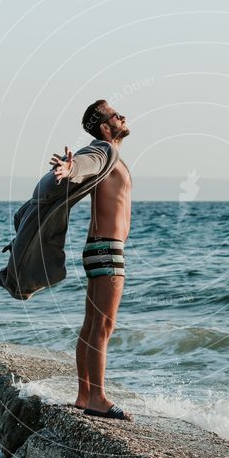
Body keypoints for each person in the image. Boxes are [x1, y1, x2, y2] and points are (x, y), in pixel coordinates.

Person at [50, 100, 133, 421]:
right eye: (116, 114)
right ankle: (97, 397)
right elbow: (87, 162)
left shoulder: (111, 154)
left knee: (92, 325)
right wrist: (70, 168)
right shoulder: (103, 152)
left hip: (102, 248)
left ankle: (85, 395)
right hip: (107, 249)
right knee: (103, 325)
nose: (122, 116)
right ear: (103, 126)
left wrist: (72, 168)